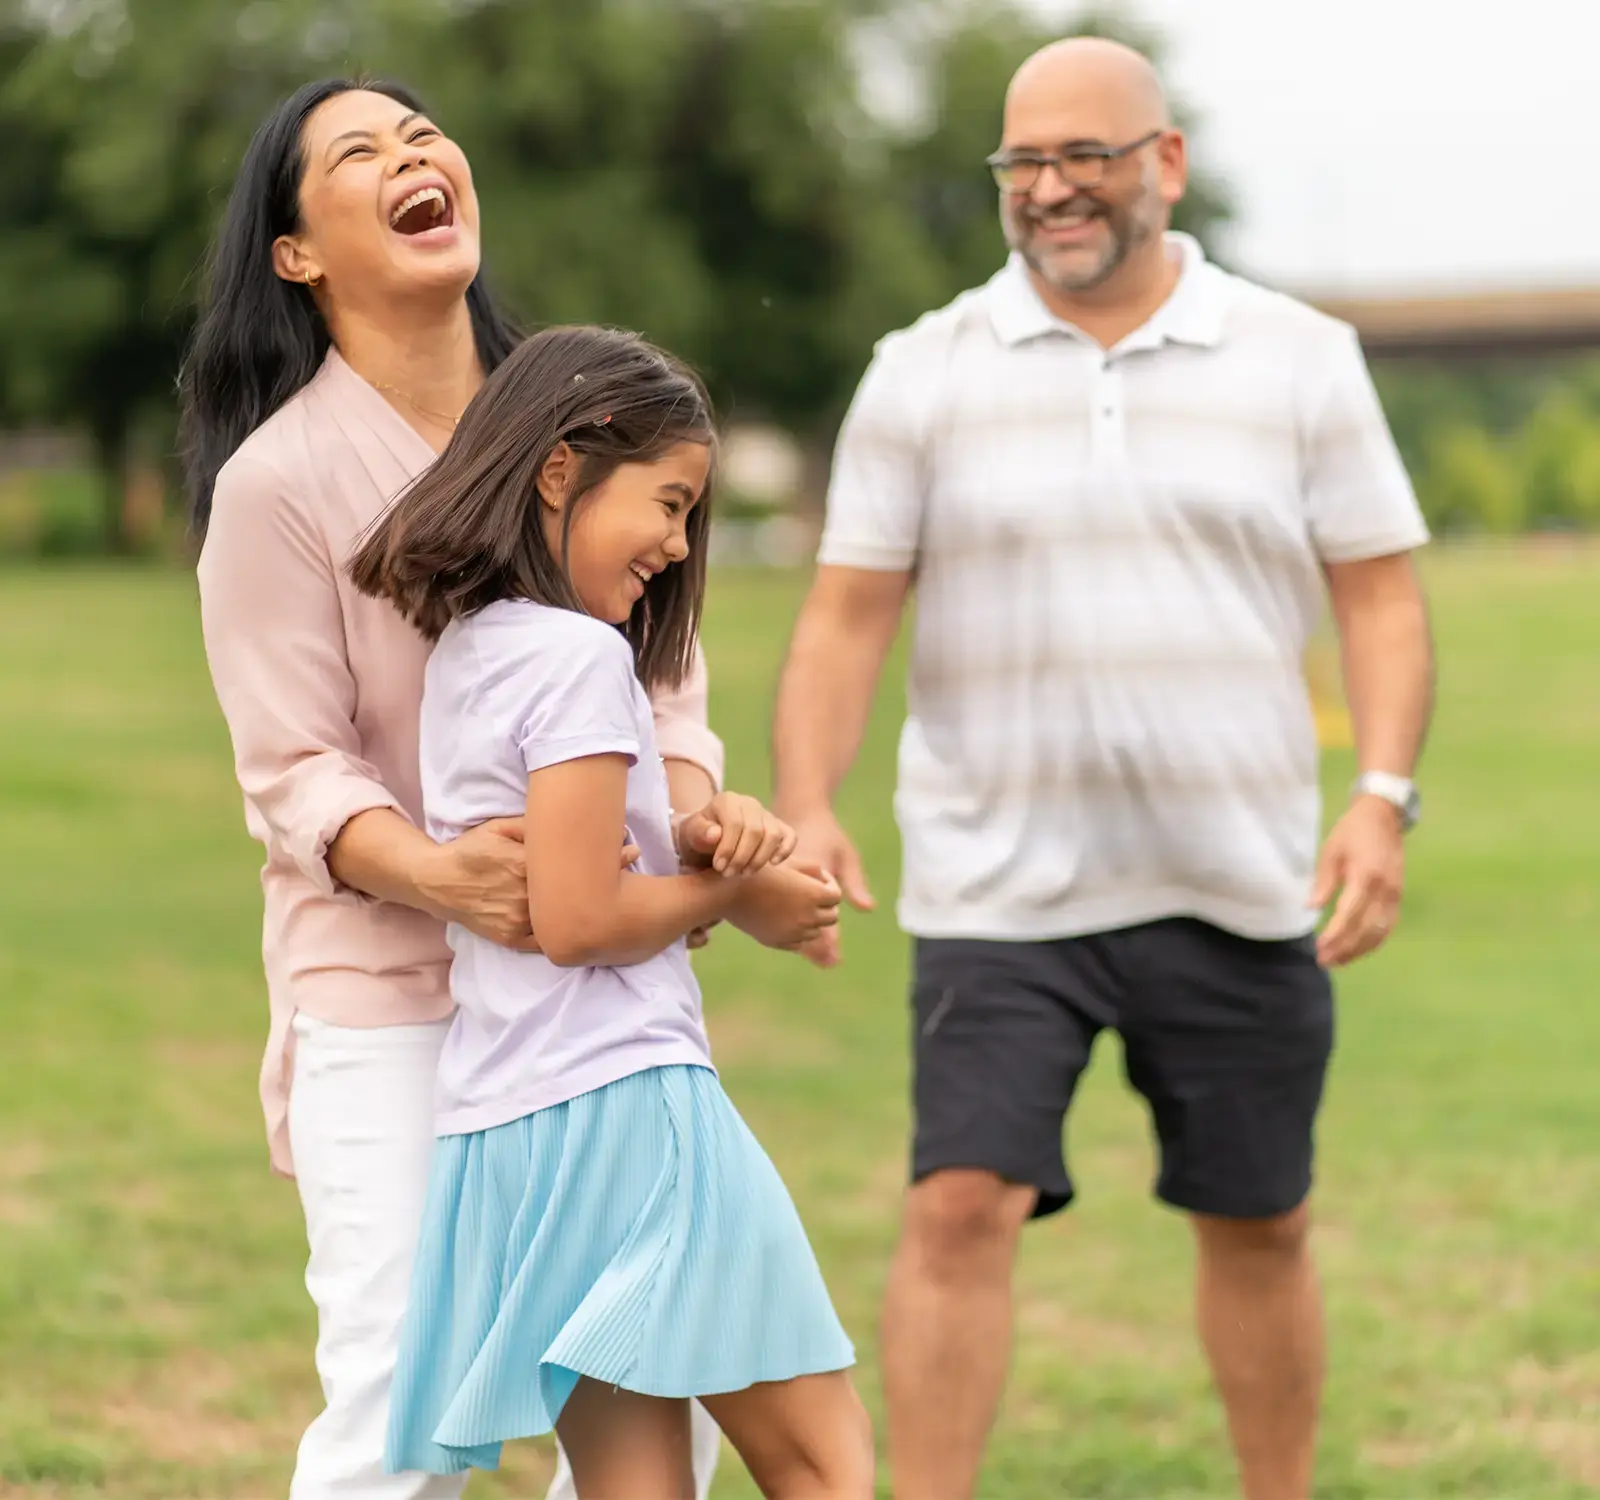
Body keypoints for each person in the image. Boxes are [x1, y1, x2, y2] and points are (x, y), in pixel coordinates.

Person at [771, 36, 1434, 1500]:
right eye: (1025, 164)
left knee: (1261, 1222)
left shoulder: (1298, 358)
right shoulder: (921, 371)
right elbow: (843, 618)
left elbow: (1380, 596)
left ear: (1167, 163)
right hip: (997, 886)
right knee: (958, 1209)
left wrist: (1380, 799)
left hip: (1236, 875)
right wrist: (809, 799)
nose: (1054, 189)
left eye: (1087, 157)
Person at [183, 78, 781, 1500]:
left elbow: (664, 672)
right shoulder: (279, 484)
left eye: (423, 134)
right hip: (386, 1008)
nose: (412, 154)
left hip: (590, 1002)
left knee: (653, 1390)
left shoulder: (580, 413)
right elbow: (294, 770)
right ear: (296, 255)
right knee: (405, 1401)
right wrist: (443, 875)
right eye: (360, 153)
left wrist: (689, 810)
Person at [343, 322, 872, 1498]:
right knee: (825, 1462)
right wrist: (736, 893)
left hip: (516, 1120)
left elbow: (573, 877)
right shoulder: (580, 659)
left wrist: (695, 836)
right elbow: (578, 918)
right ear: (560, 469)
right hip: (625, 1102)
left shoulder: (472, 653)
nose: (680, 546)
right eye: (671, 503)